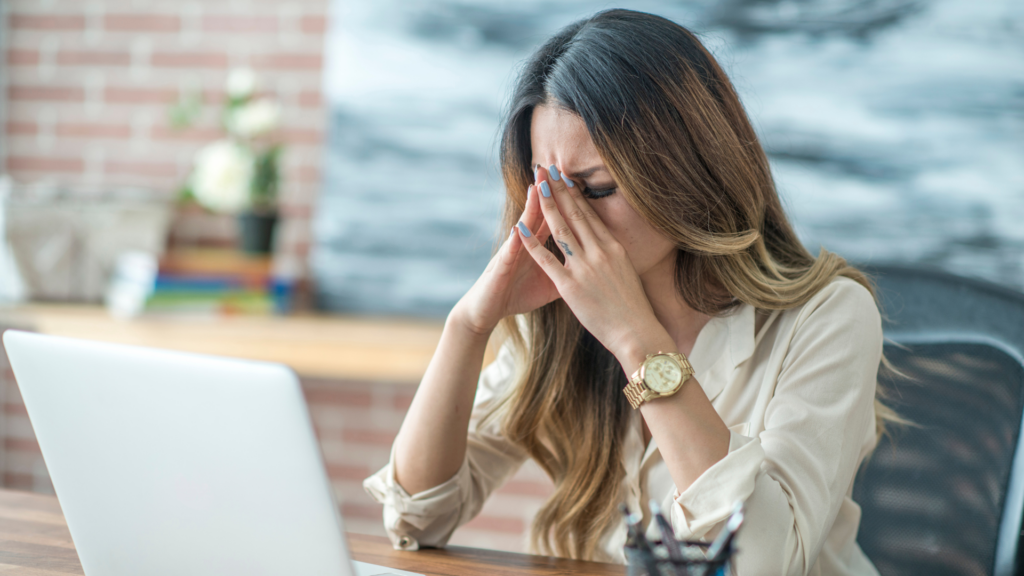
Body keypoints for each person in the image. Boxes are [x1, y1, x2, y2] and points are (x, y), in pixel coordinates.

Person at [364, 8, 899, 575]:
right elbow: (417, 520)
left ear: (687, 170)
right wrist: (469, 325)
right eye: (550, 188)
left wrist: (636, 341)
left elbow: (756, 565)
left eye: (595, 189)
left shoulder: (829, 317)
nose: (565, 218)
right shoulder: (563, 316)